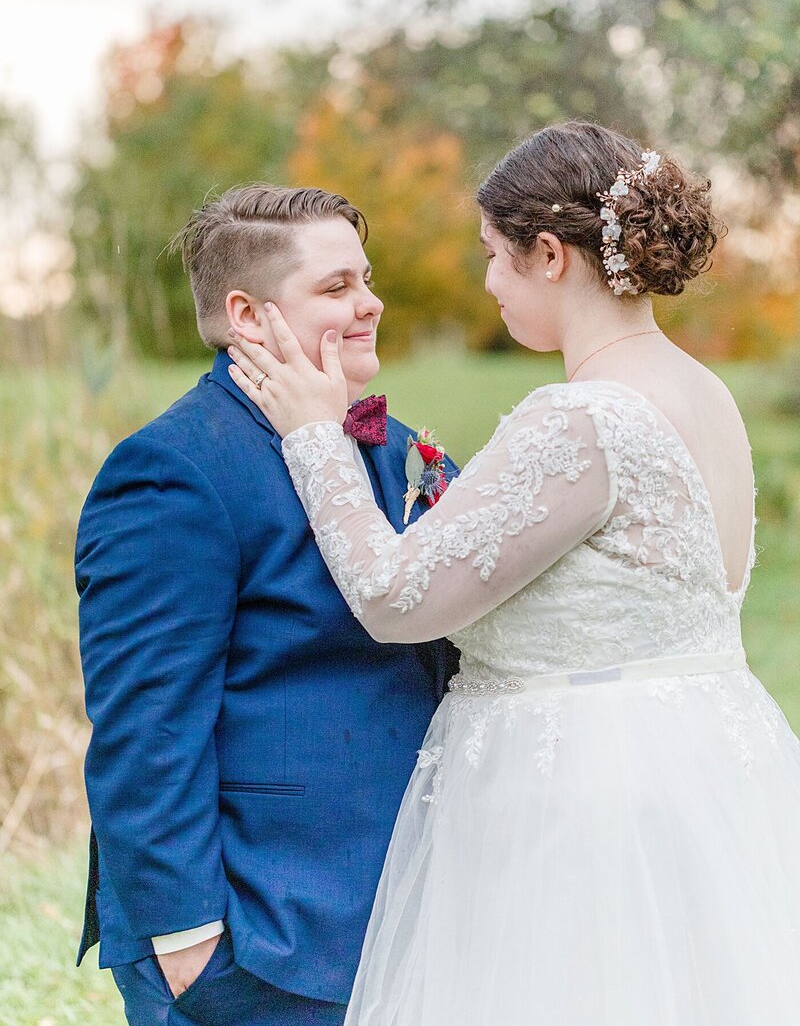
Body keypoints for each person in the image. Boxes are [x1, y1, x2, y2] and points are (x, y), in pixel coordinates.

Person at [228, 122, 800, 1025]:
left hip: (581, 802)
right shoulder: (703, 390)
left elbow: (393, 597)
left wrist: (312, 432)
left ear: (548, 254)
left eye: (495, 256)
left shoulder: (581, 419)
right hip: (702, 768)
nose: (488, 282)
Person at [75, 184, 458, 1026]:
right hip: (260, 935)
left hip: (402, 915)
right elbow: (146, 726)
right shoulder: (173, 472)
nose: (371, 304)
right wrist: (188, 943)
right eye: (336, 289)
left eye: (366, 278)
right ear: (247, 316)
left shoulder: (400, 449)